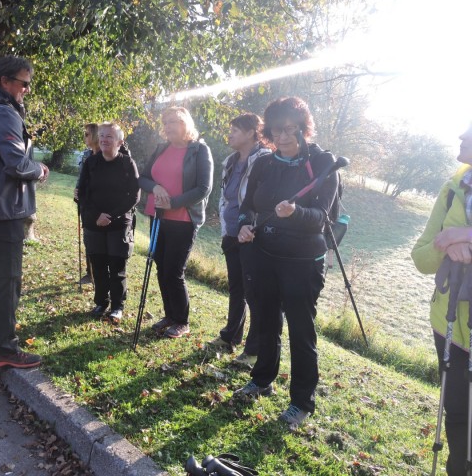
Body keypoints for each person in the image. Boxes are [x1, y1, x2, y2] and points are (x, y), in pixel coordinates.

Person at [233, 97, 338, 430]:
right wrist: (244, 226)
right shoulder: (264, 163)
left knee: (300, 330)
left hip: (303, 260)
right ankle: (262, 379)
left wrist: (296, 212)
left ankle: (301, 402)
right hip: (263, 254)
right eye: (277, 129)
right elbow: (247, 206)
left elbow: (323, 218)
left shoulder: (323, 164)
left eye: (291, 128)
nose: (284, 136)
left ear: (304, 128)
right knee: (265, 321)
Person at [0, 55, 49, 369]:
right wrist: (39, 170)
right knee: (7, 278)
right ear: (6, 81)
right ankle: (5, 348)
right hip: (5, 207)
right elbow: (16, 163)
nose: (27, 90)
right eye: (24, 83)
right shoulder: (2, 112)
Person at [411, 122, 472, 475]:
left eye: (470, 132)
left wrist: (466, 235)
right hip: (448, 324)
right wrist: (447, 241)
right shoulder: (454, 186)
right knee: (458, 418)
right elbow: (421, 257)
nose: (461, 137)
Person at [138, 106, 213, 338]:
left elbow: (203, 188)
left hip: (183, 218)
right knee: (160, 265)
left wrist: (175, 202)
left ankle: (182, 320)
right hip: (158, 215)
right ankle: (169, 315)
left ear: (186, 124)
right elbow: (143, 178)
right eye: (167, 122)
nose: (169, 126)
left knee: (174, 270)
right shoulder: (161, 148)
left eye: (174, 122)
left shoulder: (199, 150)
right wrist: (156, 187)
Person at [208, 114, 271, 367]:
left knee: (254, 294)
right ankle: (230, 336)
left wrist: (252, 227)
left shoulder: (265, 160)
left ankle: (253, 351)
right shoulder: (231, 161)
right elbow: (227, 198)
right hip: (231, 233)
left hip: (252, 237)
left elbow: (262, 200)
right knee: (236, 288)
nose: (230, 134)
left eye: (235, 129)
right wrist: (226, 228)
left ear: (253, 132)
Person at [77, 122, 140, 322]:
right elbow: (82, 193)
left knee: (117, 267)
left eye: (109, 136)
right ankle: (101, 302)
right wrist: (97, 215)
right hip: (93, 222)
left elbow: (134, 195)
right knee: (98, 265)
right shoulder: (91, 163)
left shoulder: (127, 163)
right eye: (102, 136)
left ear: (120, 142)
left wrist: (111, 216)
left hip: (119, 223)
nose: (104, 139)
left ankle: (117, 306)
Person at [75, 123, 100, 285]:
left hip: (97, 206)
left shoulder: (103, 156)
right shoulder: (87, 155)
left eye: (87, 134)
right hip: (85, 205)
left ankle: (98, 275)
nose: (85, 137)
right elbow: (82, 178)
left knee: (96, 242)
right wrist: (78, 191)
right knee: (88, 240)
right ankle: (89, 273)